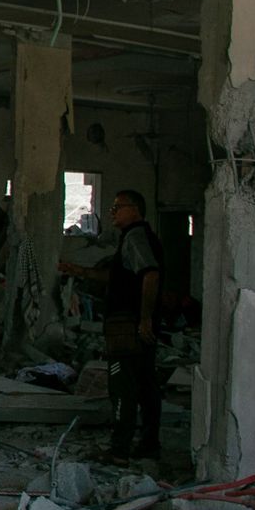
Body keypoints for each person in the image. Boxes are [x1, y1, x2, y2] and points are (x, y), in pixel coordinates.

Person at [59, 189, 164, 462]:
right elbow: (117, 278)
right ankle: (149, 443)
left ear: (135, 210)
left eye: (118, 207)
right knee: (145, 384)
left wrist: (144, 318)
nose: (113, 212)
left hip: (128, 327)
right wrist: (79, 271)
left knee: (123, 387)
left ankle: (120, 449)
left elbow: (150, 274)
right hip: (132, 324)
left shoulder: (135, 237)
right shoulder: (133, 239)